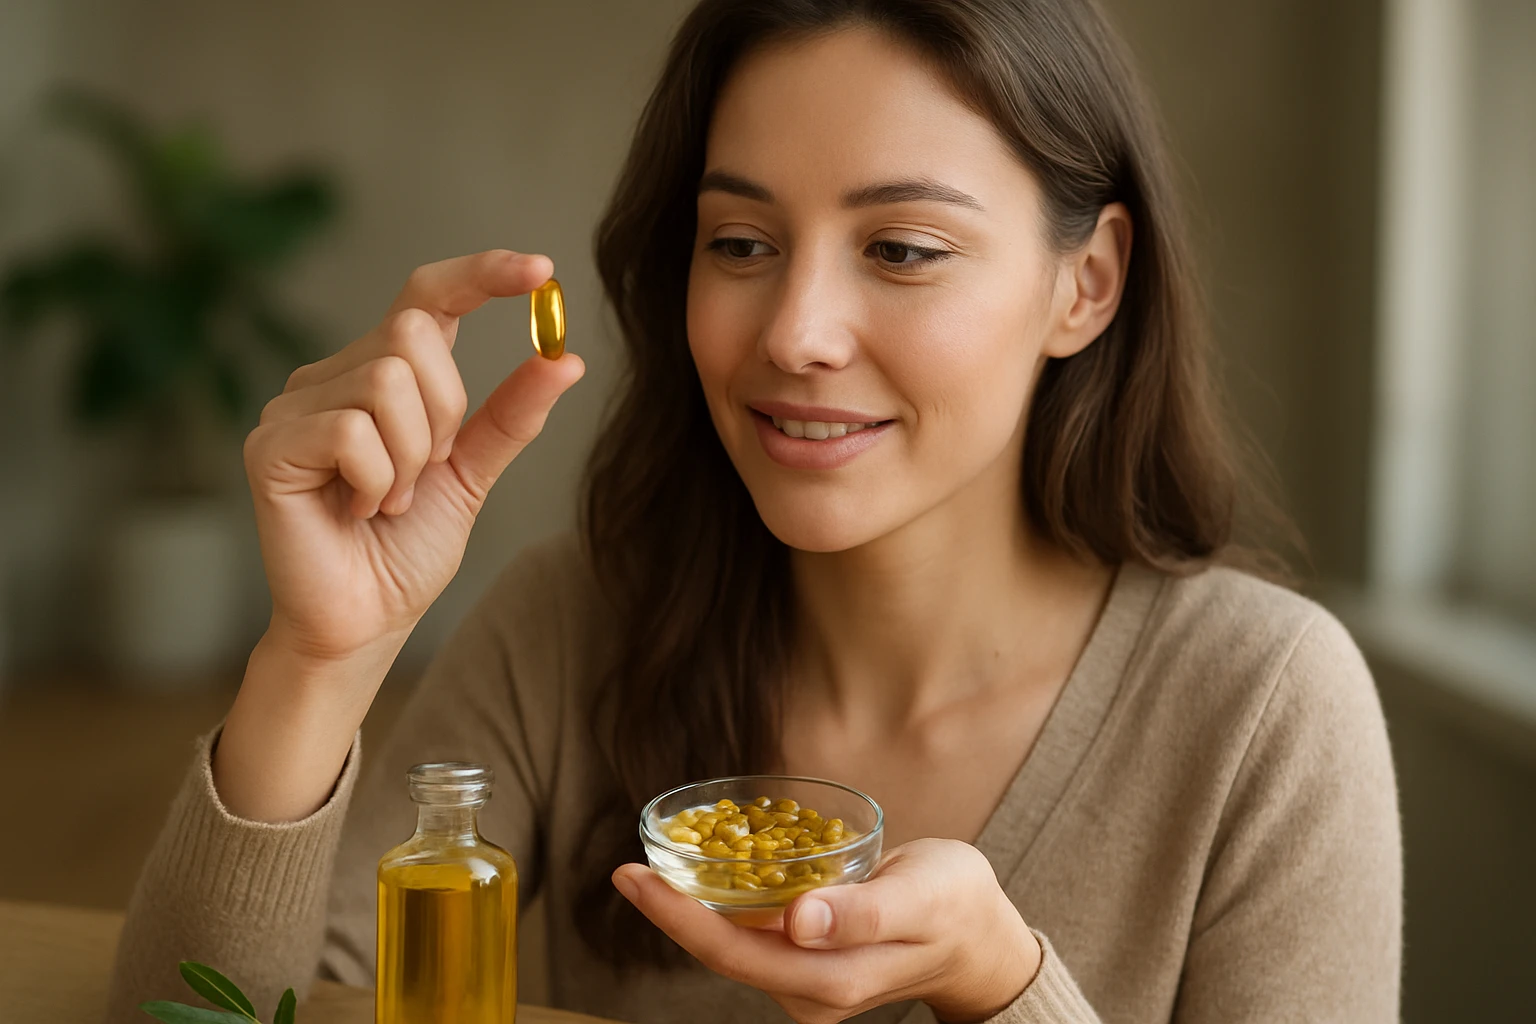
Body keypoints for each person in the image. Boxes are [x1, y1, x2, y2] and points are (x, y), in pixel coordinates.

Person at [104, 1, 1402, 1022]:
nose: (794, 333)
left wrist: (1001, 990)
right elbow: (203, 1018)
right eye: (740, 244)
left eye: (901, 248)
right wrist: (318, 661)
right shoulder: (567, 628)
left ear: (1089, 283)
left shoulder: (1264, 713)